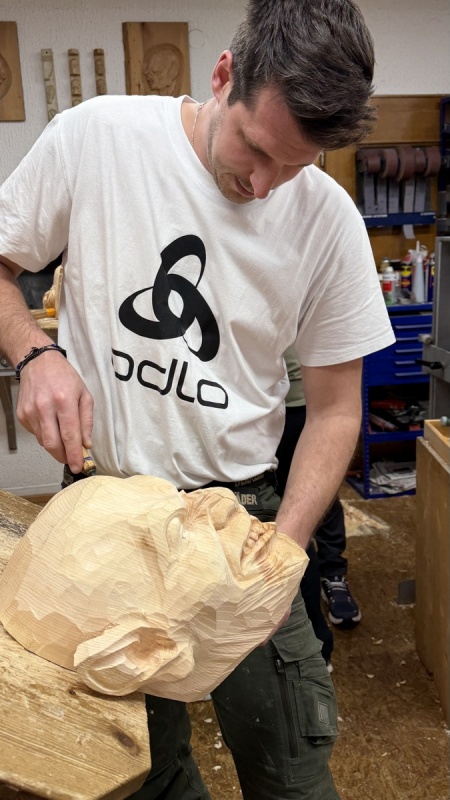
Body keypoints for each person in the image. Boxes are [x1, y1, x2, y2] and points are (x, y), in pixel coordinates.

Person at [0, 1, 395, 798]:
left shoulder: (327, 221)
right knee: (138, 772)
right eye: (256, 148)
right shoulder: (97, 138)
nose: (263, 185)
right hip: (105, 513)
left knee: (293, 772)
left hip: (240, 523)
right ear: (223, 77)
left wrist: (285, 552)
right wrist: (34, 354)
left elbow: (335, 409)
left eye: (296, 164)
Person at [277, 347, 361, 634]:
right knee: (271, 501)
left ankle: (334, 574)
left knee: (316, 494)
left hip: (303, 398)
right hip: (252, 401)